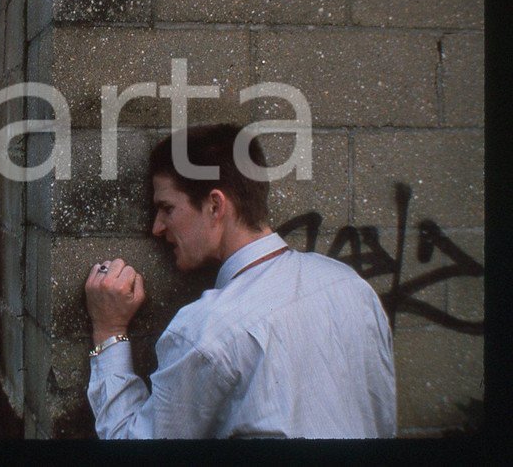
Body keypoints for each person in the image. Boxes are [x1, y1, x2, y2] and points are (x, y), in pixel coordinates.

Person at [84, 124, 396, 438]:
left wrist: (109, 331)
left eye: (167, 208)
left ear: (215, 206)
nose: (157, 227)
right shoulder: (351, 286)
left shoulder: (206, 331)